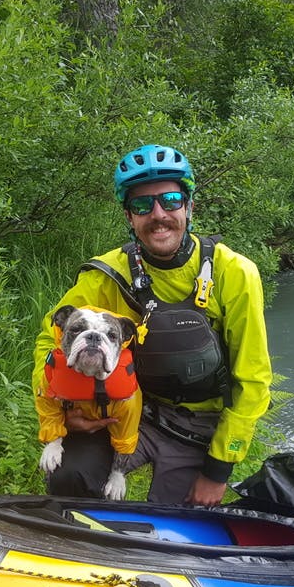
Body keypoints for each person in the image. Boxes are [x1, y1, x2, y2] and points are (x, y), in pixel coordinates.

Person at [32, 144, 273, 506]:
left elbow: (253, 380)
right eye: (143, 206)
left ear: (189, 207)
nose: (158, 214)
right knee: (70, 474)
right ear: (130, 217)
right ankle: (81, 548)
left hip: (199, 427)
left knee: (174, 527)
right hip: (128, 411)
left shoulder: (234, 273)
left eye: (171, 200)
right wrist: (63, 410)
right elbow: (47, 341)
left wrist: (218, 469)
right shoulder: (107, 274)